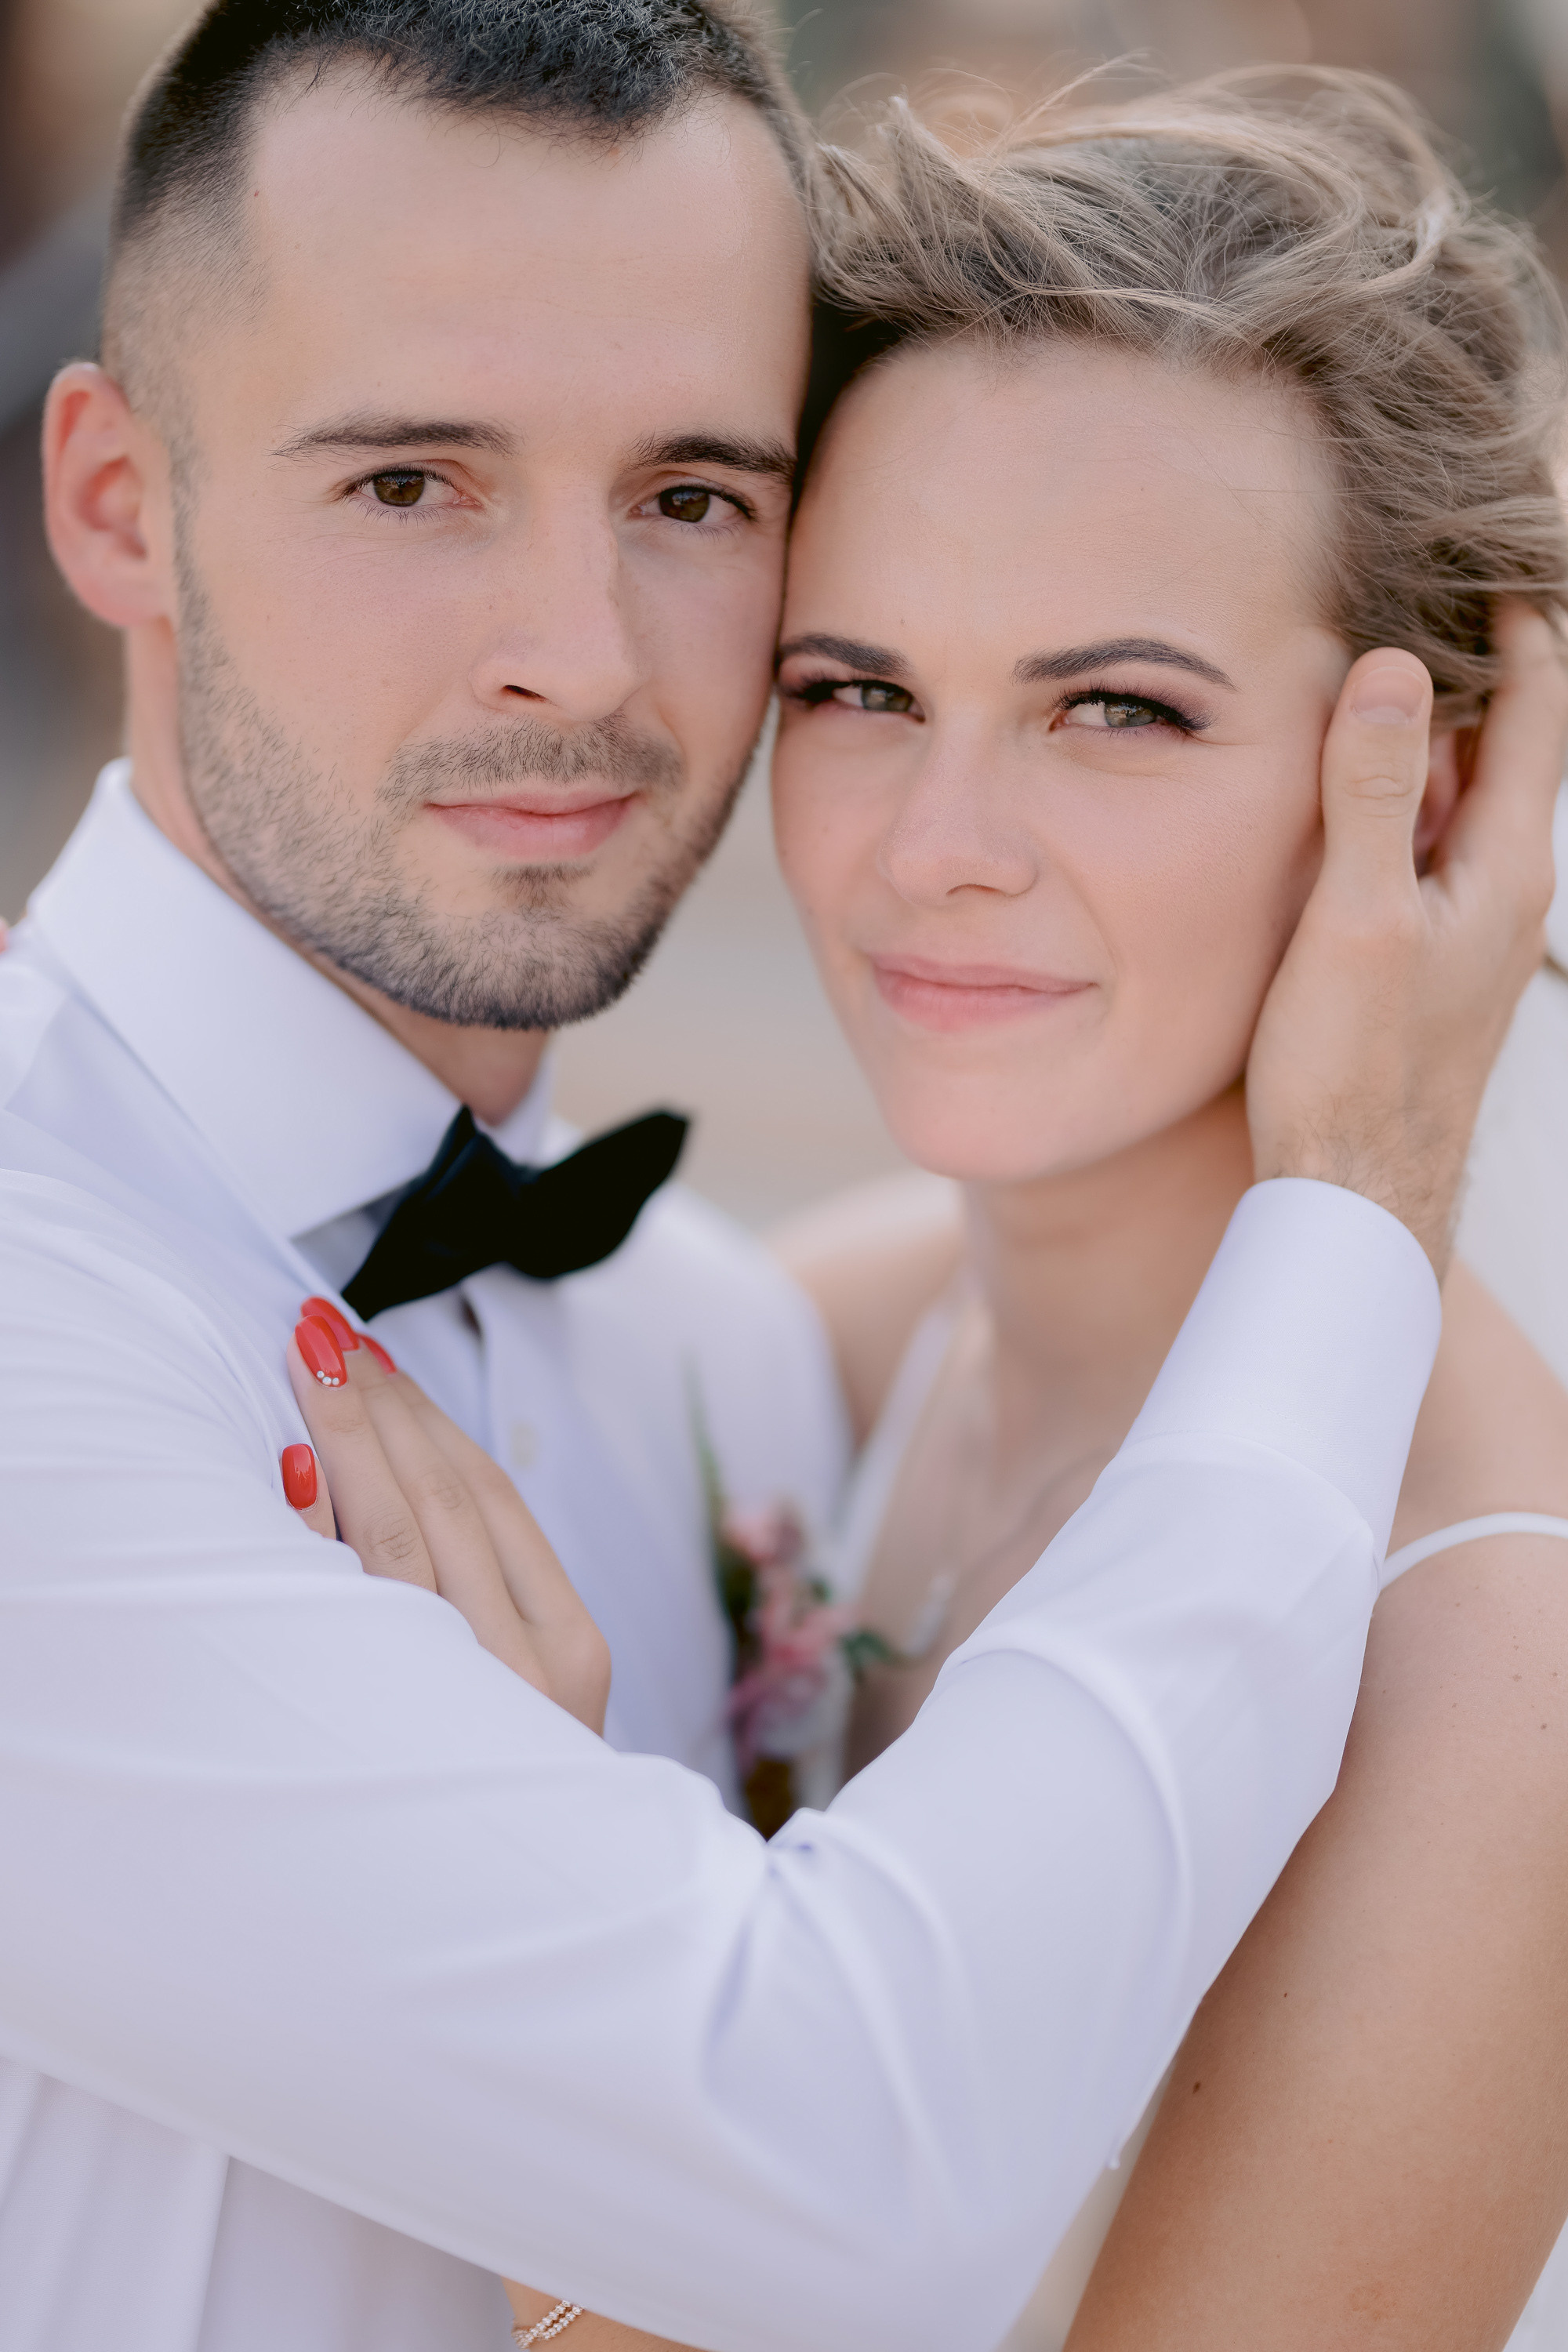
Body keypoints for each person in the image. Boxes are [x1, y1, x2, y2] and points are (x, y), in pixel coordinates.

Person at [0, 9, 1561, 2351]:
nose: (573, 658)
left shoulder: (719, 1357)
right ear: (121, 502)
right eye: (411, 482)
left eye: (693, 500)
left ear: (1425, 784)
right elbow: (825, 2150)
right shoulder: (61, 1316)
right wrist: (1349, 1213)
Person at [753, 68, 1568, 2352]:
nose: (938, 846)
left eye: (1117, 711)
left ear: (1445, 782)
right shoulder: (815, 1344)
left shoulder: (1492, 1666)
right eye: (856, 687)